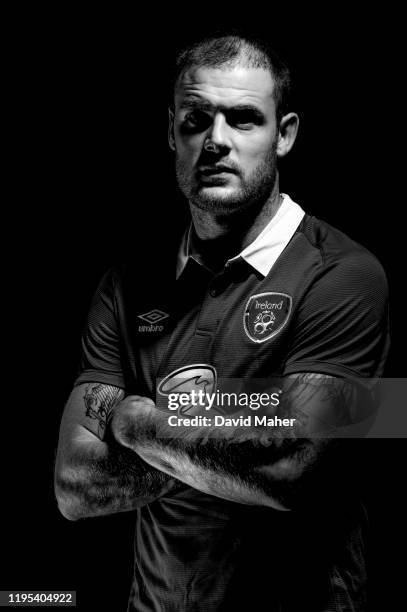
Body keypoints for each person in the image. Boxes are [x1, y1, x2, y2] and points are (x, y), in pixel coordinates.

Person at [55, 33, 390, 611]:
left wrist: (139, 424)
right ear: (170, 131)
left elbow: (289, 467)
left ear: (283, 134)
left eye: (242, 120)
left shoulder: (344, 275)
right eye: (195, 120)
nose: (215, 141)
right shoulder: (125, 286)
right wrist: (248, 422)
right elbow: (74, 486)